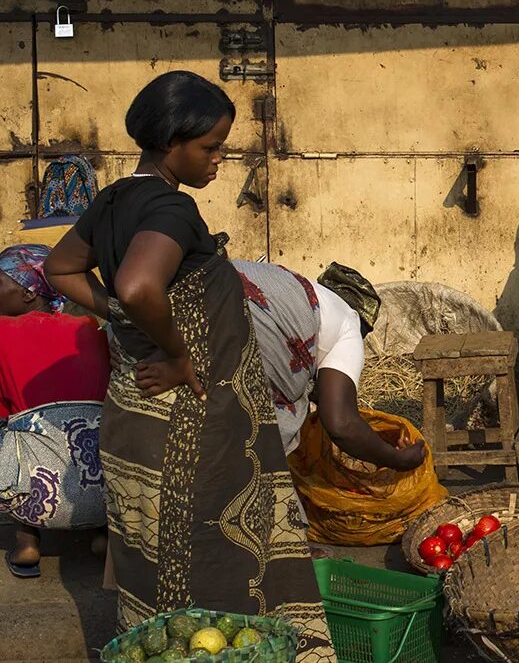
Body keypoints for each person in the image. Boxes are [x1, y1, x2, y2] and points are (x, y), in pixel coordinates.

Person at [44, 71, 336, 661]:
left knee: (153, 558)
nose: (219, 159)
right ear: (170, 142)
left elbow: (61, 270)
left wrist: (121, 320)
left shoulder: (113, 200)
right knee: (208, 560)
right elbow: (137, 284)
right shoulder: (171, 208)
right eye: (210, 147)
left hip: (135, 418)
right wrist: (176, 352)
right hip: (189, 420)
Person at [232, 258, 426, 470]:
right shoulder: (348, 321)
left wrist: (374, 441)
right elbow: (342, 424)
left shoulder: (298, 288)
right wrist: (396, 459)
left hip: (218, 277)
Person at [0, 244, 109, 579]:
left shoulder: (3, 332)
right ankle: (101, 534)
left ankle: (26, 540)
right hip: (103, 496)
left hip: (34, 501)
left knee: (16, 427)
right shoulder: (89, 330)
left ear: (29, 293)